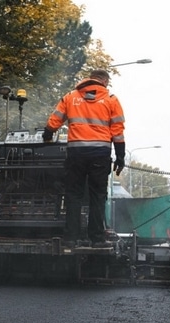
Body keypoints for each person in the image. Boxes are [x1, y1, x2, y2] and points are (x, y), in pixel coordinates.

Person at [42, 69, 125, 247]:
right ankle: (96, 238)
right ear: (104, 81)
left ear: (90, 79)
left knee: (73, 195)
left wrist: (47, 135)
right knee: (97, 196)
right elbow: (117, 130)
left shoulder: (70, 97)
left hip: (76, 154)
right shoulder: (111, 99)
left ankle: (71, 238)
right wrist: (120, 156)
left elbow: (54, 121)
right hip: (100, 155)